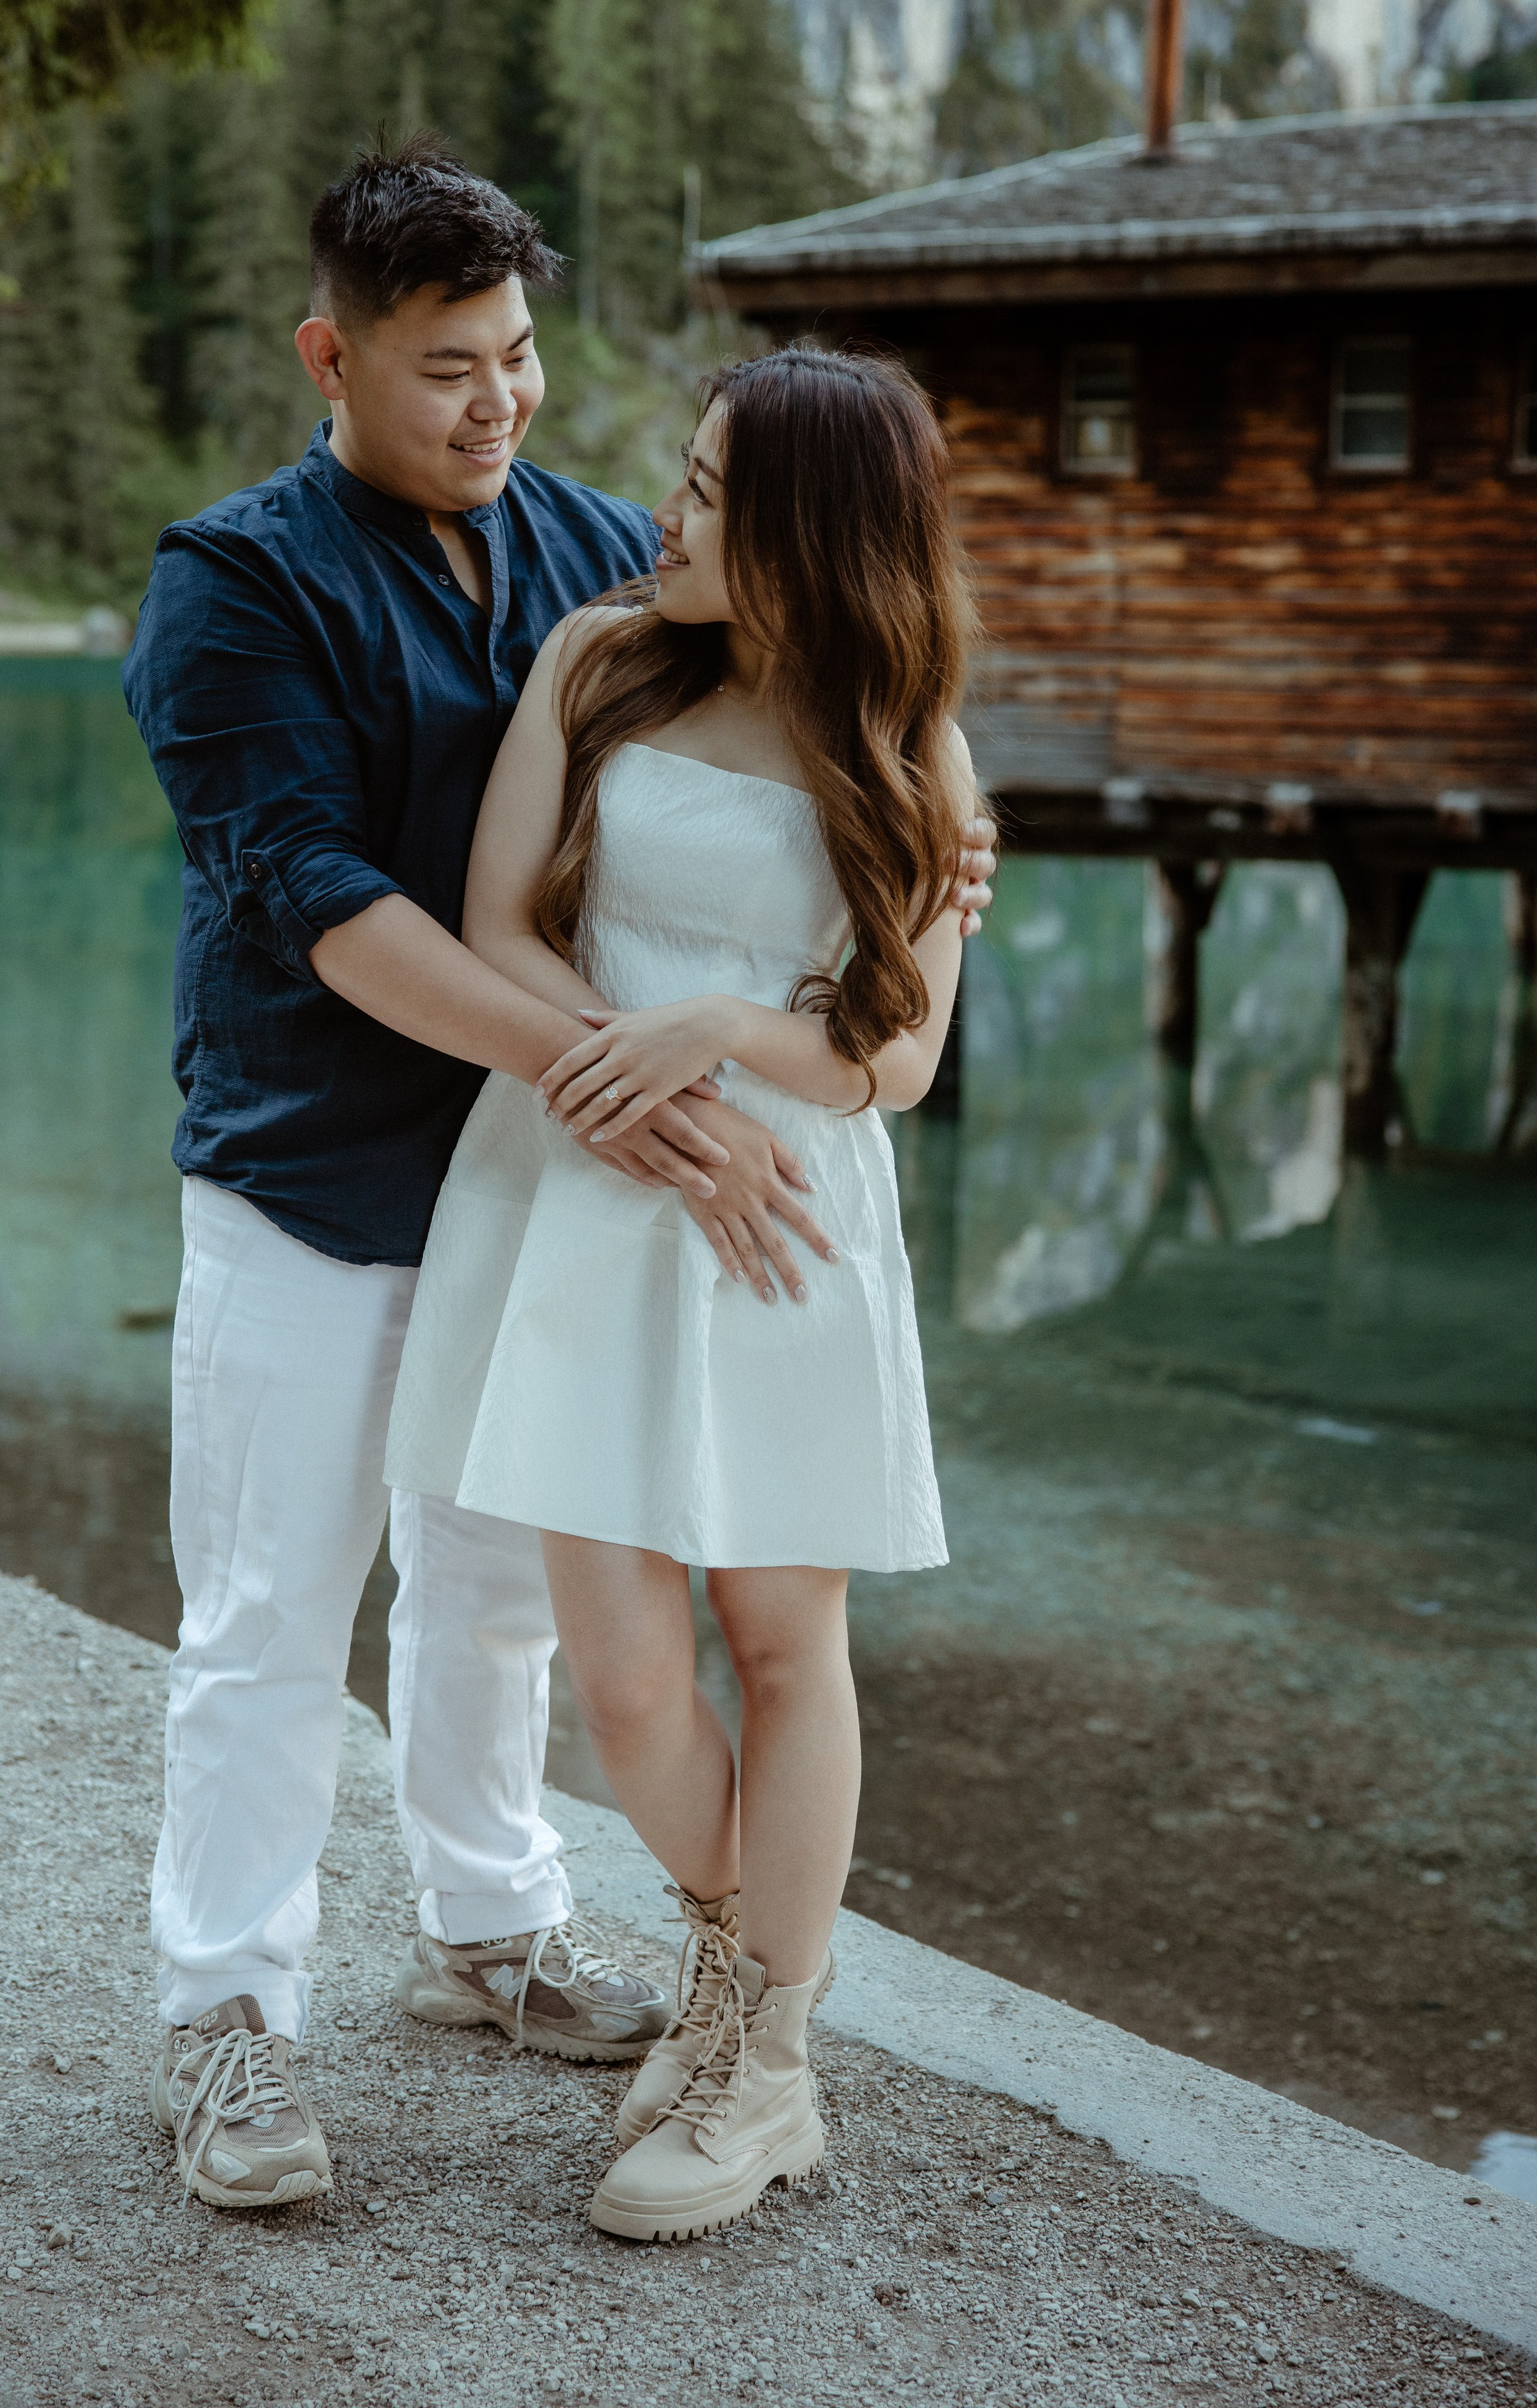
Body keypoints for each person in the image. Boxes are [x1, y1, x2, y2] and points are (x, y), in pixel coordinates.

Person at [121, 142, 997, 2210]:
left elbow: (832, 653)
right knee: (271, 1612)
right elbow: (326, 904)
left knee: (499, 1603)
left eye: (516, 357)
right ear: (333, 359)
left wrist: (946, 834)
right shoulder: (234, 582)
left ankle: (497, 1929)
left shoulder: (603, 555)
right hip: (322, 1176)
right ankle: (229, 2016)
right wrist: (643, 1083)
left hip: (549, 1204)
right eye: (445, 370)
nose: (496, 404)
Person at [385, 345, 975, 2241]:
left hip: (784, 1224)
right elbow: (493, 932)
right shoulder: (595, 659)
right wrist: (636, 1083)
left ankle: (770, 2064)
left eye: (716, 491)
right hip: (580, 1186)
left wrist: (732, 1033)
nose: (672, 509)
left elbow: (899, 1061)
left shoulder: (912, 743)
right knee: (630, 1684)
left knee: (789, 1649)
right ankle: (736, 1975)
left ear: (813, 532)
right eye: (690, 475)